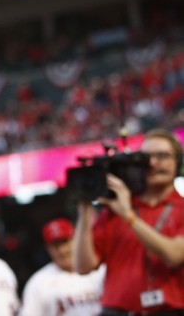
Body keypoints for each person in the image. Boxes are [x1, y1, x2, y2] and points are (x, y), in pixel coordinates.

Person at [73, 128, 184, 315]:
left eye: (162, 156)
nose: (153, 163)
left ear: (178, 163)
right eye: (146, 158)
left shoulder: (178, 208)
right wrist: (84, 211)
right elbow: (83, 266)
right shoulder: (116, 207)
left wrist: (128, 216)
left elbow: (174, 256)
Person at [20, 218, 104, 316]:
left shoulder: (100, 270)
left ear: (76, 239)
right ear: (47, 248)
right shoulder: (38, 283)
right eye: (55, 246)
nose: (62, 250)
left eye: (65, 242)